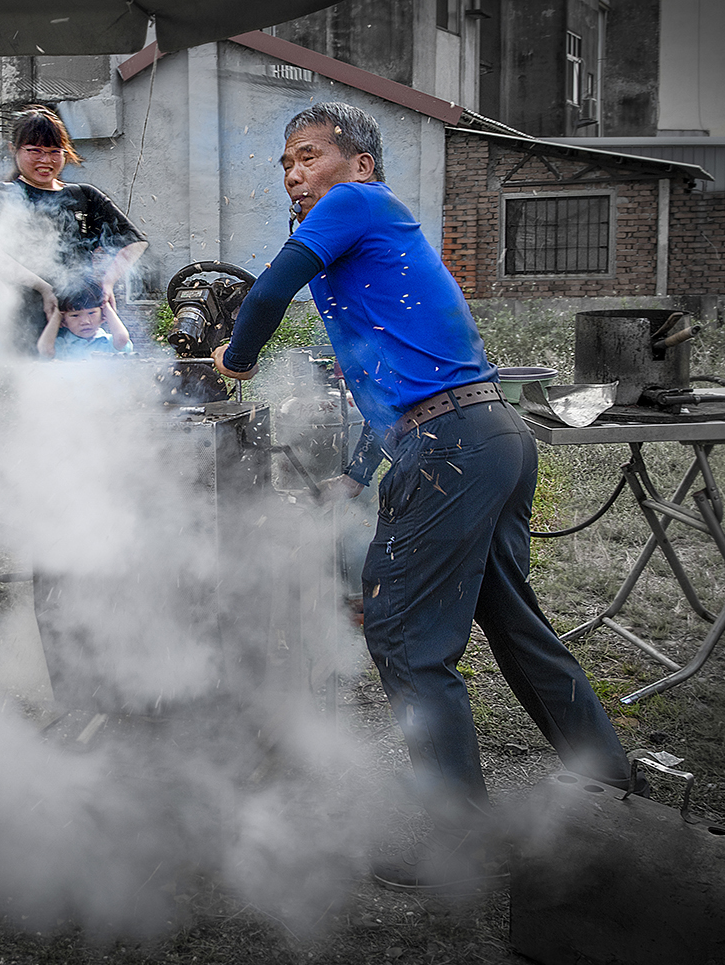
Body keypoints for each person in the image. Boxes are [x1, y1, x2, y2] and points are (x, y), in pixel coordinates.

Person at [213, 102, 637, 891]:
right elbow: (401, 378)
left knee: (406, 640)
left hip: (451, 449)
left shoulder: (355, 205)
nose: (294, 173)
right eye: (285, 164)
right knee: (514, 625)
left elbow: (267, 294)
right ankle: (613, 782)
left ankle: (460, 840)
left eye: (308, 156)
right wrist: (358, 469)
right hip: (485, 436)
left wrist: (235, 358)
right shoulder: (371, 244)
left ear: (360, 164)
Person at [0, 105, 147, 353]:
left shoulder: (83, 196)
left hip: (82, 322)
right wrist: (44, 288)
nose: (46, 160)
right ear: (13, 150)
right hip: (25, 316)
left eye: (54, 151)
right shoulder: (1, 194)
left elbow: (134, 243)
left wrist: (107, 283)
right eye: (35, 151)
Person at [36, 279, 133, 360]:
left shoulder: (108, 342)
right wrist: (57, 315)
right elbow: (45, 350)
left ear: (103, 316)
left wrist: (106, 307)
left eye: (91, 313)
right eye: (75, 315)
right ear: (63, 321)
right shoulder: (62, 345)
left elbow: (122, 338)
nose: (85, 322)